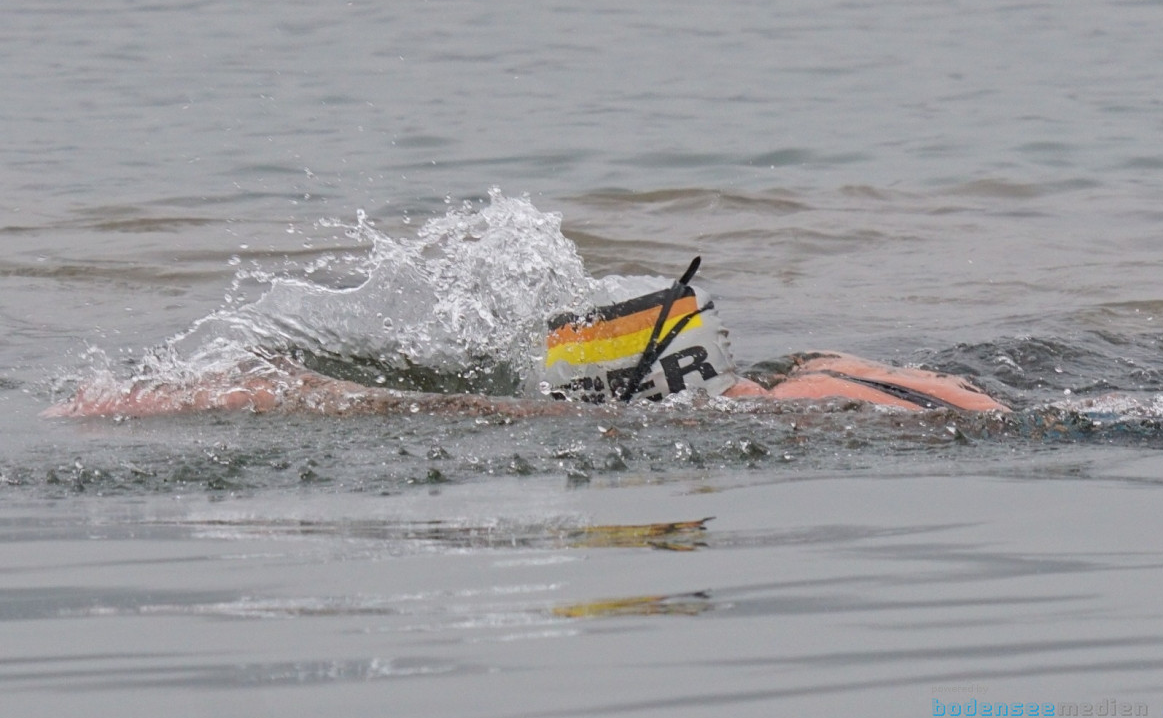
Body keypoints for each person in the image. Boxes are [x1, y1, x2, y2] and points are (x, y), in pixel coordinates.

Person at [44, 259, 1008, 419]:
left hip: (803, 398)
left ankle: (237, 393)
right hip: (852, 398)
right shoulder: (842, 386)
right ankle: (239, 392)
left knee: (458, 414)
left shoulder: (812, 392)